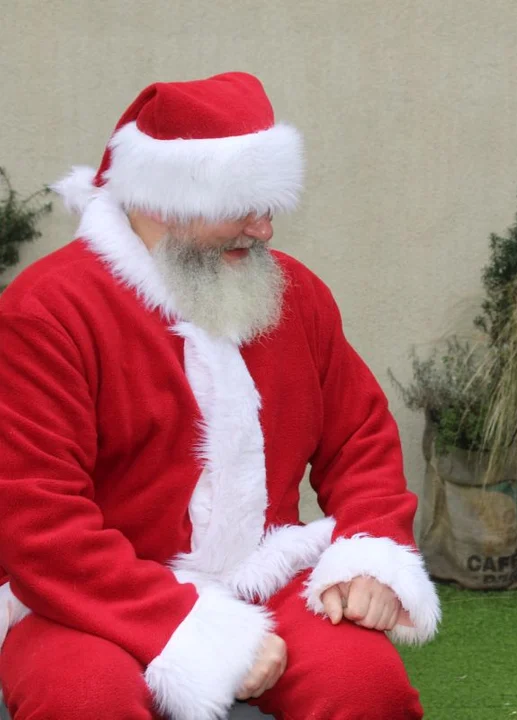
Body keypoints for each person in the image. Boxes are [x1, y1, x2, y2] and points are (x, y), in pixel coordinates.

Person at [0, 72, 440, 720]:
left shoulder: (298, 297)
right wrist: (198, 630)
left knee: (363, 681)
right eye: (244, 203)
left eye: (271, 204)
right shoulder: (46, 312)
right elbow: (38, 523)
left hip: (264, 578)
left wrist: (368, 556)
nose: (264, 228)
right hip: (87, 600)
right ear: (164, 197)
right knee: (84, 697)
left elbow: (360, 438)